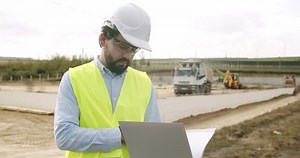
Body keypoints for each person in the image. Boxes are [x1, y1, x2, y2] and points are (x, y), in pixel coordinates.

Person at [54, 3, 161, 158]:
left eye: (133, 49)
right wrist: (120, 136)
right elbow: (64, 136)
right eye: (123, 46)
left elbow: (154, 136)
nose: (128, 55)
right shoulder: (73, 79)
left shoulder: (144, 83)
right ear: (103, 39)